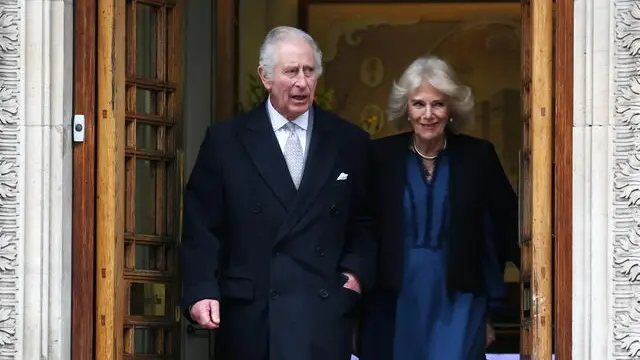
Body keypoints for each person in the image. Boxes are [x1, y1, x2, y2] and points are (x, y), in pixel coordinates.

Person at [181, 26, 375, 360]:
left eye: (309, 71)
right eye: (291, 71)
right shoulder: (225, 142)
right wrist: (200, 291)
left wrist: (353, 277)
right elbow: (202, 227)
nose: (302, 82)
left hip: (322, 315)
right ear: (265, 77)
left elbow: (367, 222)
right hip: (253, 319)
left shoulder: (349, 141)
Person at [358, 55, 520, 360]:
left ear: (452, 109)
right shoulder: (380, 157)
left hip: (459, 300)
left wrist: (537, 288)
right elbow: (361, 229)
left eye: (438, 104)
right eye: (419, 104)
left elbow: (508, 226)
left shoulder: (478, 157)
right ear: (406, 108)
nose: (428, 114)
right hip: (394, 302)